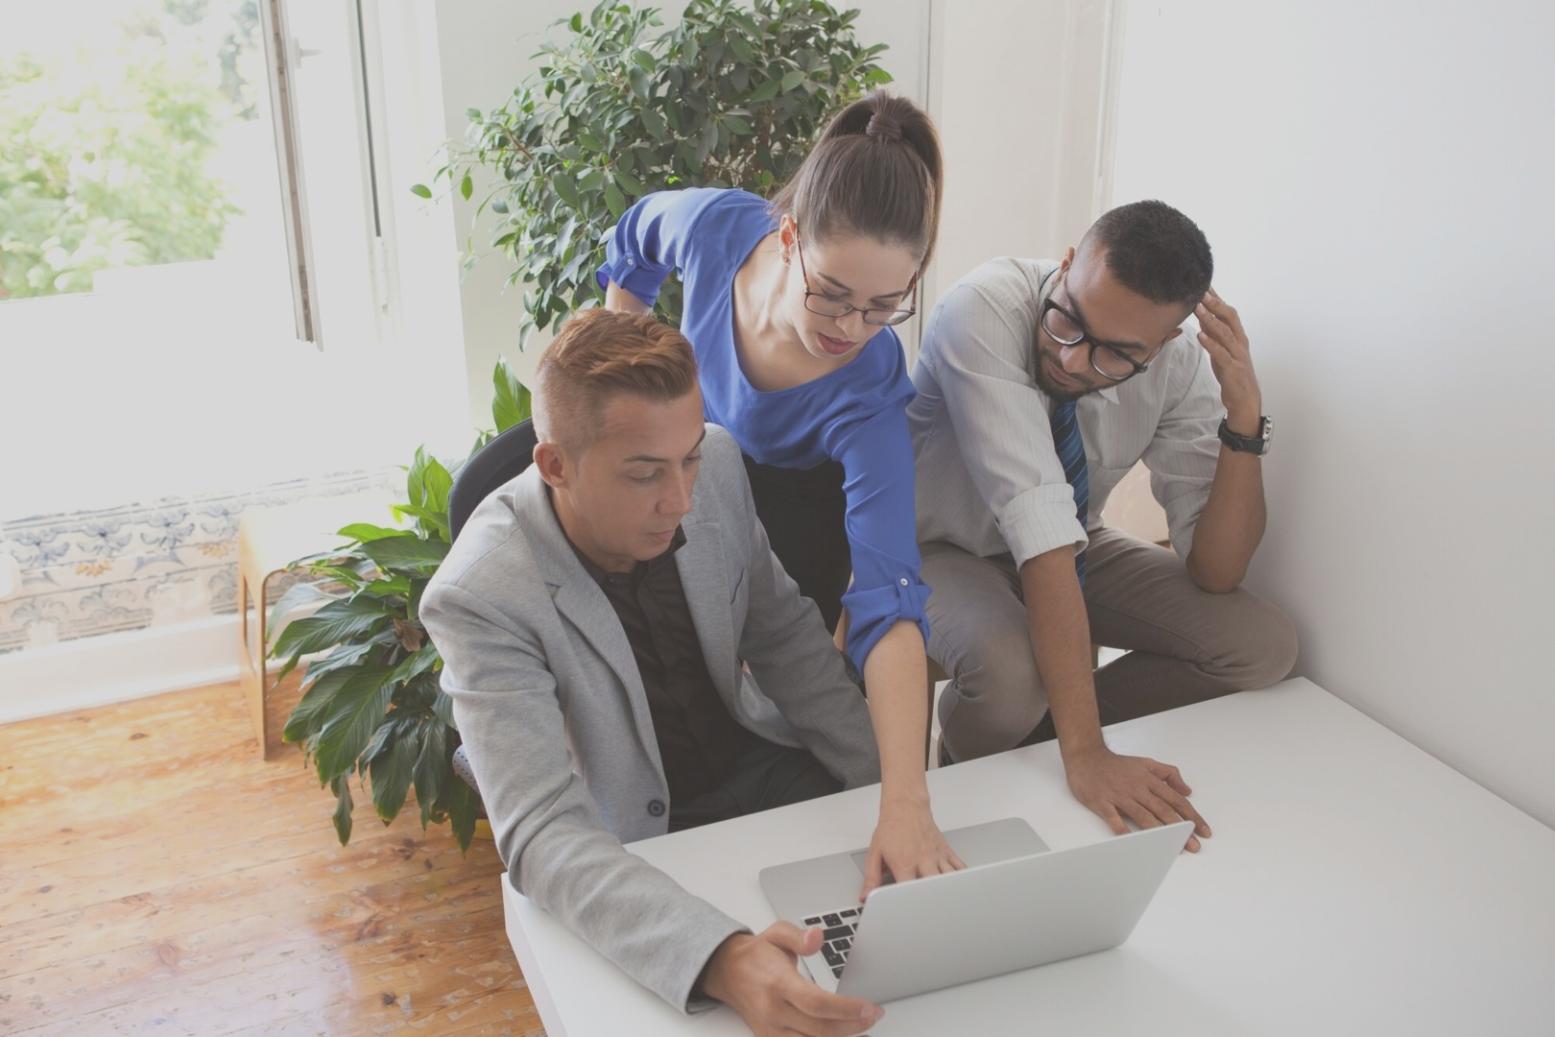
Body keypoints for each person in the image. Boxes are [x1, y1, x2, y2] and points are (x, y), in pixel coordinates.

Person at [421, 309, 887, 1034]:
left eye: (688, 458)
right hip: (634, 837)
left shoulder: (720, 465)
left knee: (890, 960)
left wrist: (895, 794)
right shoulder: (478, 593)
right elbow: (542, 829)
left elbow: (788, 641)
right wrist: (718, 956)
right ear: (555, 466)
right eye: (644, 473)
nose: (680, 499)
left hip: (764, 767)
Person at [598, 91, 960, 893]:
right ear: (788, 236)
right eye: (832, 293)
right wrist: (620, 350)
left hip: (793, 503)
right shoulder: (719, 228)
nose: (850, 326)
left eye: (882, 306)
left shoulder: (867, 390)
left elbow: (890, 596)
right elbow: (634, 236)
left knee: (763, 669)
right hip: (691, 446)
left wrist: (905, 797)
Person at [910, 199, 1299, 851]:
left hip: (1073, 542)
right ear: (1065, 265)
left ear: (1166, 342)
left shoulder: (1177, 366)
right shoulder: (979, 309)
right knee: (1011, 675)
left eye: (1116, 354)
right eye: (1068, 319)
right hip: (937, 544)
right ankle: (968, 762)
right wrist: (1085, 755)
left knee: (1260, 644)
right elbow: (1040, 540)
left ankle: (1034, 739)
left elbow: (1215, 568)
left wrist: (1245, 417)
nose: (1072, 358)